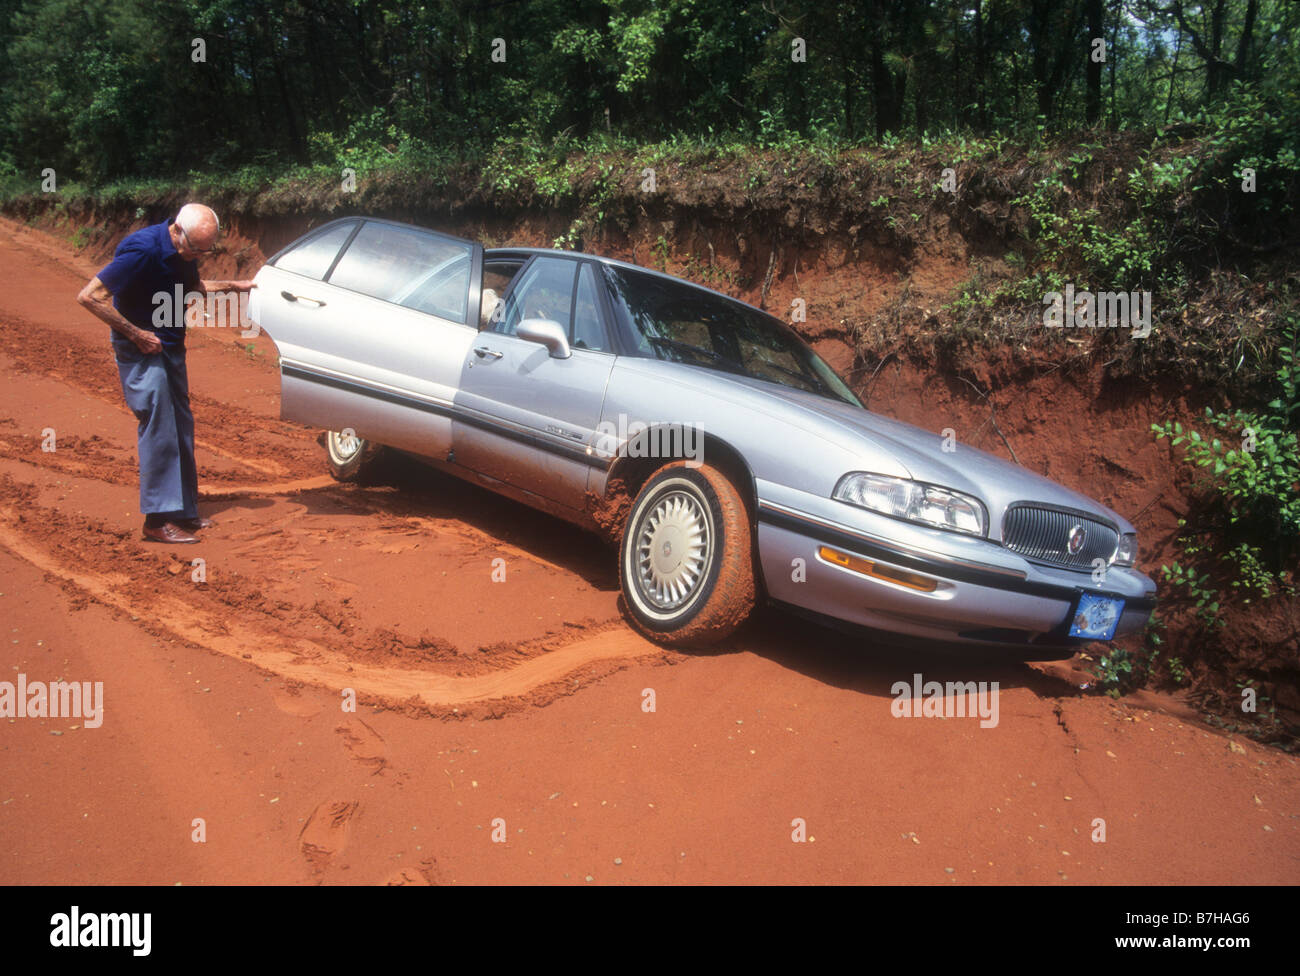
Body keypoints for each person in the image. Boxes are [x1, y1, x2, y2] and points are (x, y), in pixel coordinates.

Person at [77, 204, 256, 543]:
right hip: (141, 347)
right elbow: (90, 297)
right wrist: (136, 334)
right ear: (176, 230)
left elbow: (194, 287)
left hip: (171, 347)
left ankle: (184, 511)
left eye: (205, 250)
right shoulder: (142, 250)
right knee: (158, 426)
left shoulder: (183, 253)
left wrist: (237, 285)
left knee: (181, 424)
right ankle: (156, 521)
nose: (197, 256)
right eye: (195, 249)